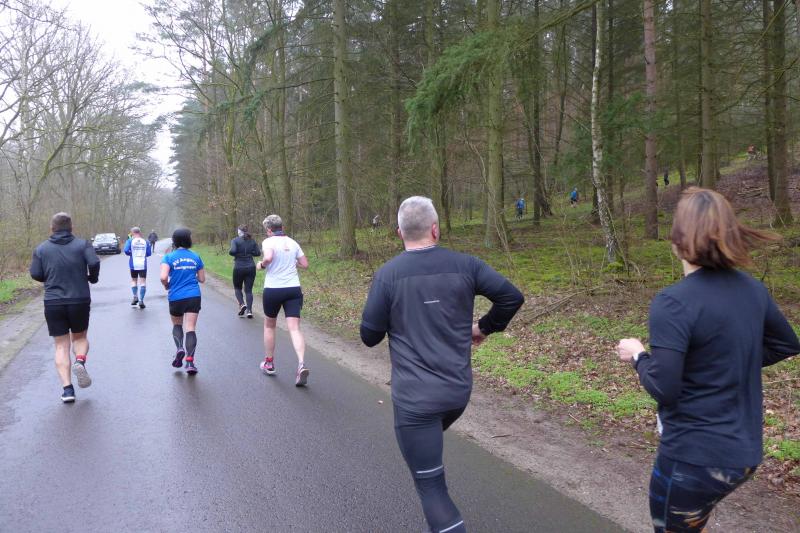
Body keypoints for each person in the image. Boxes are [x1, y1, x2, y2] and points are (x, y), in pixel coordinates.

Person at [616, 187, 799, 533]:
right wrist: (722, 363)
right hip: (743, 455)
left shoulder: (673, 302)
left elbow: (664, 388)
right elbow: (786, 343)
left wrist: (638, 356)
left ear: (678, 238)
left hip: (693, 458)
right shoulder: (752, 290)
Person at [360, 196, 524, 533]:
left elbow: (369, 336)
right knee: (428, 462)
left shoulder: (388, 276)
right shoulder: (467, 265)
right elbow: (511, 297)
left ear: (400, 233)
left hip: (416, 402)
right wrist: (484, 327)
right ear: (435, 229)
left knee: (431, 488)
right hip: (457, 393)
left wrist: (397, 315)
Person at [29, 212, 100, 403]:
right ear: (71, 227)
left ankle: (68, 390)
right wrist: (92, 278)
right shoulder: (82, 245)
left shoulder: (41, 249)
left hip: (53, 302)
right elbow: (94, 262)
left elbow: (35, 273)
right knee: (80, 337)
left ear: (51, 228)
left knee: (61, 345)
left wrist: (49, 277)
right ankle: (80, 361)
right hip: (79, 299)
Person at [256, 214, 310, 386]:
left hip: (273, 289)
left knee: (269, 325)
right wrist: (293, 263)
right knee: (294, 328)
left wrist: (261, 265)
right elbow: (305, 264)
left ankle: (269, 363)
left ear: (269, 230)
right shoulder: (293, 242)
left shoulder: (268, 242)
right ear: (282, 227)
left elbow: (268, 258)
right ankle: (301, 364)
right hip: (293, 289)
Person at [160, 228, 205, 375]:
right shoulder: (196, 256)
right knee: (190, 327)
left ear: (174, 240)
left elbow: (163, 277)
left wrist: (167, 285)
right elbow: (202, 279)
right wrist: (191, 274)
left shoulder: (168, 257)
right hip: (193, 296)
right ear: (188, 240)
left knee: (177, 325)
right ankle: (190, 362)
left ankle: (180, 348)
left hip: (176, 296)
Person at [229, 224, 260, 318]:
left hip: (239, 267)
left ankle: (242, 304)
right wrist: (250, 253)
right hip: (251, 267)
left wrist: (235, 253)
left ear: (239, 231)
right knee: (249, 290)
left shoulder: (235, 240)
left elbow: (232, 251)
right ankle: (249, 311)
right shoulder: (252, 241)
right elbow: (258, 253)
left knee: (237, 288)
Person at [124, 227, 152, 309]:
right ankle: (141, 300)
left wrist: (132, 254)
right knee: (143, 282)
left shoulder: (130, 241)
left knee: (134, 280)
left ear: (132, 233)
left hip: (133, 264)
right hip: (143, 264)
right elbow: (149, 253)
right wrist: (143, 254)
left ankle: (135, 296)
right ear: (140, 232)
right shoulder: (146, 241)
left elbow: (126, 250)